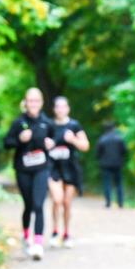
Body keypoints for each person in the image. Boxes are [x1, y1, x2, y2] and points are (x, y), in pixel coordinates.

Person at [3, 87, 55, 261]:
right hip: (23, 170)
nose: (33, 104)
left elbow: (55, 140)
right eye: (30, 100)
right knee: (29, 205)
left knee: (39, 205)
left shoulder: (47, 123)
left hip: (41, 168)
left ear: (41, 103)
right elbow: (7, 143)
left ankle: (38, 244)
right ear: (25, 103)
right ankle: (27, 237)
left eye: (36, 101)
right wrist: (19, 139)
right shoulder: (18, 123)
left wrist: (51, 143)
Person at [48, 96, 90, 248]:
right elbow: (39, 143)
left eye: (63, 106)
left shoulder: (74, 125)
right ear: (54, 109)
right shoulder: (49, 125)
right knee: (57, 199)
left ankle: (66, 233)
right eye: (58, 107)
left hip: (70, 168)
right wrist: (46, 143)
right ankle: (54, 231)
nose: (60, 109)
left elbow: (85, 146)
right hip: (53, 168)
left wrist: (73, 140)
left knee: (66, 203)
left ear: (68, 108)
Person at [96, 122, 127, 208]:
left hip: (105, 165)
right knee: (119, 184)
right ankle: (120, 203)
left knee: (107, 183)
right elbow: (124, 151)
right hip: (118, 164)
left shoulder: (102, 139)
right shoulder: (119, 138)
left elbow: (98, 153)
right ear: (114, 128)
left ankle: (108, 203)